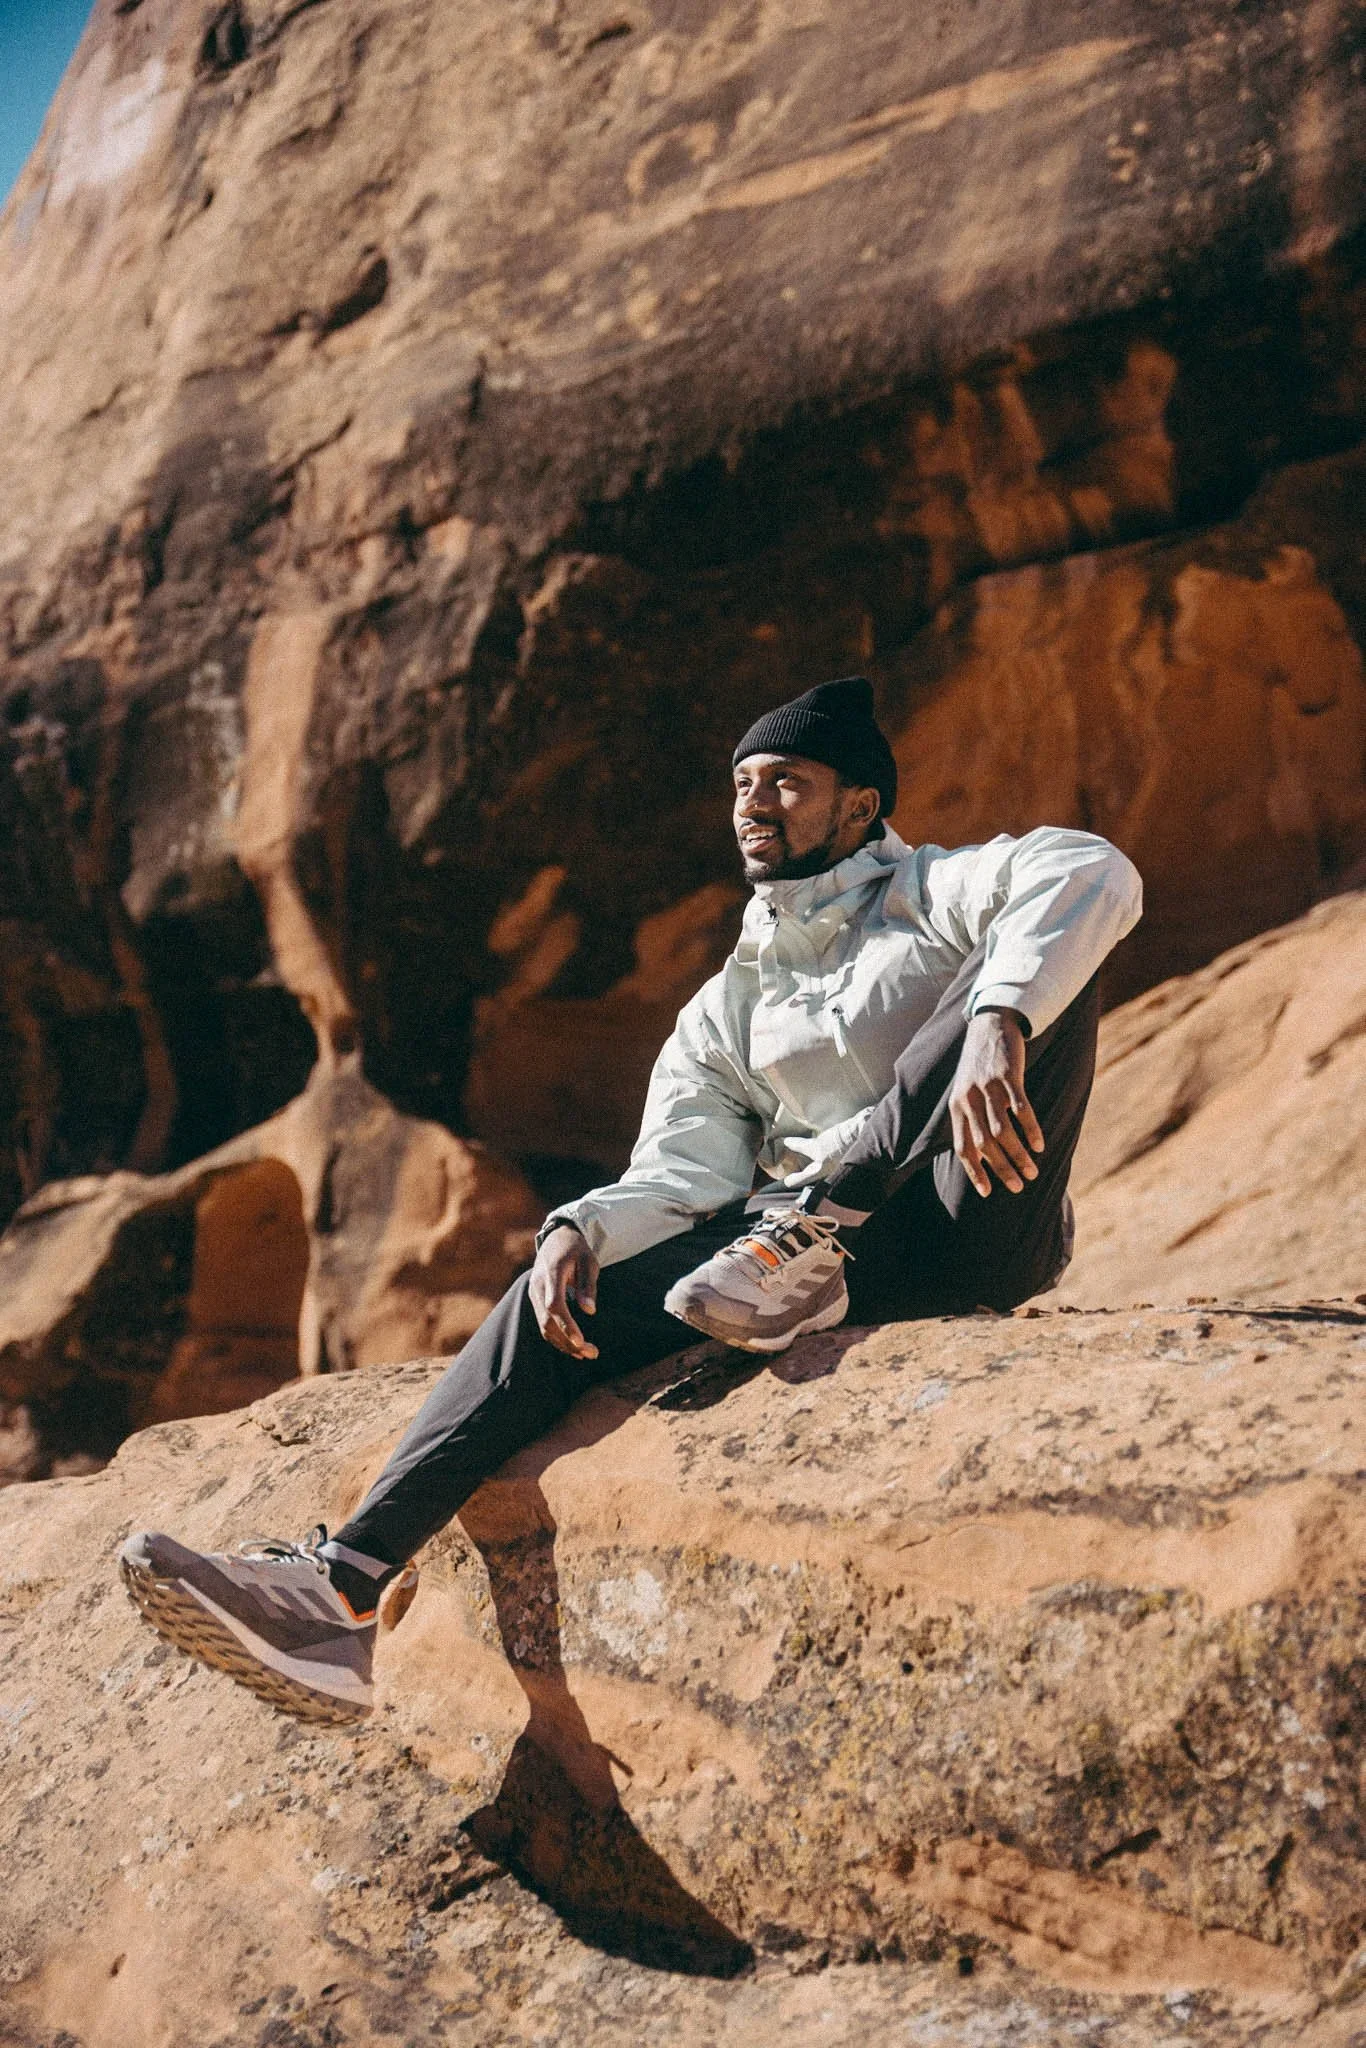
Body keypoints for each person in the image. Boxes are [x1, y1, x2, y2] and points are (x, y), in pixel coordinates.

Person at [121, 677, 1142, 1724]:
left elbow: (1090, 867)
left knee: (1017, 963)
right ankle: (338, 1594)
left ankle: (820, 1224)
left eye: (786, 781)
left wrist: (1000, 1021)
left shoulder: (936, 891)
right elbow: (681, 1169)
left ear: (860, 805)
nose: (754, 803)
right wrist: (581, 1230)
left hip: (963, 1219)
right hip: (779, 1261)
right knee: (554, 1290)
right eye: (743, 784)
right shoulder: (730, 1000)